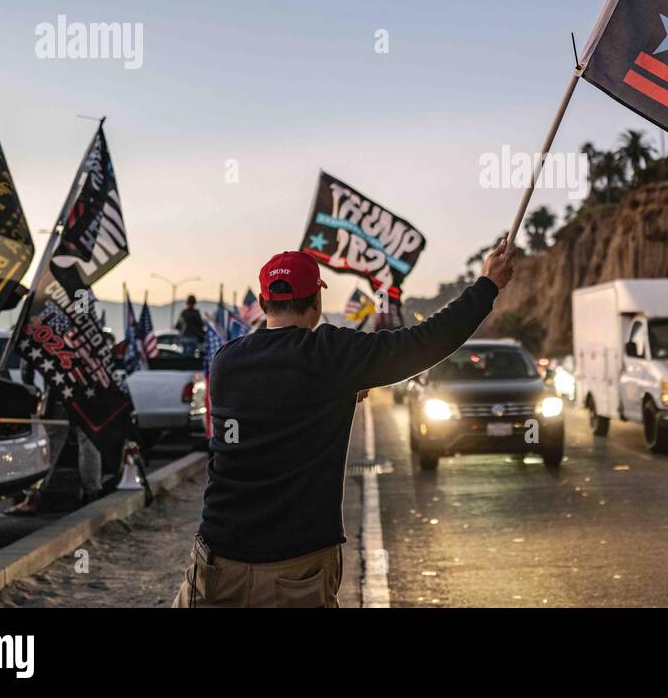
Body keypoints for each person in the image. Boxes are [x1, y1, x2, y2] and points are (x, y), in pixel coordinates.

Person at [172, 240, 515, 608]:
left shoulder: (226, 361)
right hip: (294, 571)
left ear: (262, 300)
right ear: (316, 303)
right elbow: (423, 343)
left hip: (216, 563)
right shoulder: (330, 355)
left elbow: (271, 403)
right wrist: (486, 286)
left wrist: (334, 394)